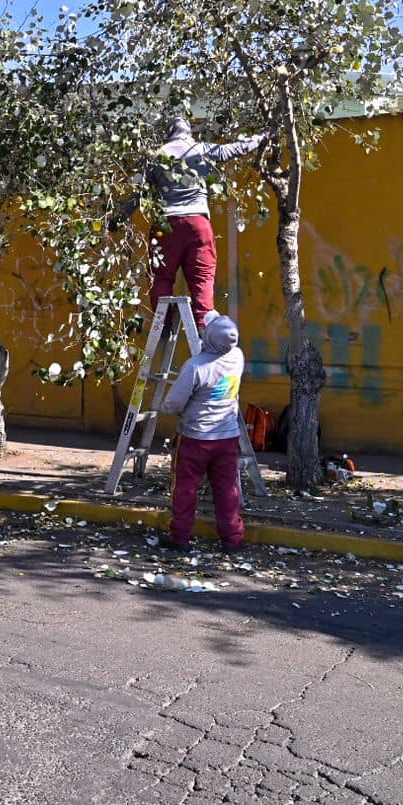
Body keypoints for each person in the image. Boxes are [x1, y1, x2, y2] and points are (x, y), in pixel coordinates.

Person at [144, 118, 263, 330]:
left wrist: (117, 219)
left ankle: (162, 326)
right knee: (202, 278)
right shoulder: (200, 150)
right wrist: (261, 138)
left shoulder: (155, 156)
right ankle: (203, 326)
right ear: (188, 132)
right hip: (197, 224)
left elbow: (137, 192)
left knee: (161, 276)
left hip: (165, 224)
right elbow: (232, 150)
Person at [159, 311, 246, 552]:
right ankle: (232, 538)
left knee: (185, 488)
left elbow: (174, 403)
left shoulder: (195, 367)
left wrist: (164, 407)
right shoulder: (237, 357)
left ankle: (181, 538)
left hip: (195, 438)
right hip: (227, 436)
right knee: (227, 489)